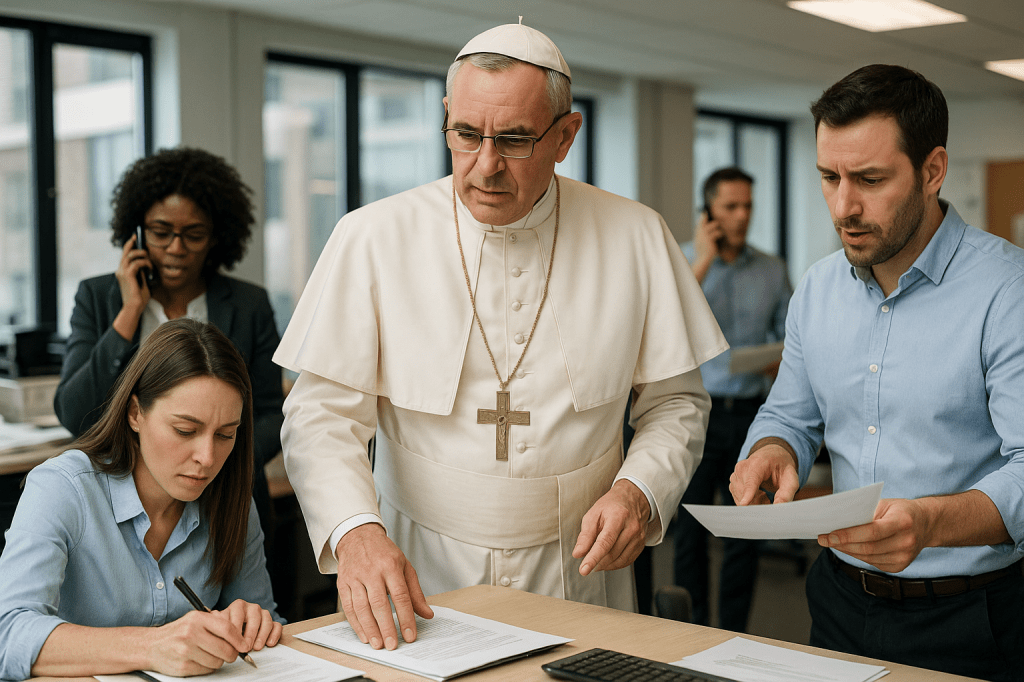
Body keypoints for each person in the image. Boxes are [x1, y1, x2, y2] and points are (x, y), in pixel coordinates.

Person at [274, 21, 727, 652]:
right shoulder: (372, 237)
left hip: (579, 571)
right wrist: (355, 533)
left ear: (565, 136)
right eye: (466, 134)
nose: (485, 166)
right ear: (446, 117)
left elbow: (675, 404)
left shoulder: (636, 236)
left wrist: (638, 491)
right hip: (419, 570)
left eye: (514, 140)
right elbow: (321, 416)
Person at [730, 64, 1024, 681]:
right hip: (840, 600)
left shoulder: (1007, 291)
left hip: (975, 615)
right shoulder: (817, 289)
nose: (845, 207)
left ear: (933, 171)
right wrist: (772, 448)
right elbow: (789, 413)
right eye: (829, 177)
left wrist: (931, 522)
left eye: (869, 179)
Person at [0, 319, 283, 680]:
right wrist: (152, 647)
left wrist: (254, 624)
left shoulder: (232, 498)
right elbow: (7, 634)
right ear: (135, 414)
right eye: (185, 430)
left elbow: (263, 626)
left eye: (226, 435)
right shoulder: (63, 488)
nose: (208, 457)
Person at [53, 147, 284, 553]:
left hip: (229, 500)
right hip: (121, 504)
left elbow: (272, 412)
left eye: (194, 234)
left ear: (216, 237)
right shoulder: (99, 297)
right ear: (137, 233)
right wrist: (129, 312)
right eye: (161, 233)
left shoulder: (248, 305)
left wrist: (216, 457)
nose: (177, 248)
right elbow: (75, 414)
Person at [674, 167, 791, 631]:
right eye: (730, 207)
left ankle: (734, 633)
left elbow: (789, 339)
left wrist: (778, 360)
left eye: (748, 206)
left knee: (746, 531)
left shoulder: (772, 269)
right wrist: (703, 261)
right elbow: (666, 326)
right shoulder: (684, 261)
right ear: (708, 212)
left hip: (749, 415)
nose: (742, 216)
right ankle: (690, 630)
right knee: (690, 532)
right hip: (697, 414)